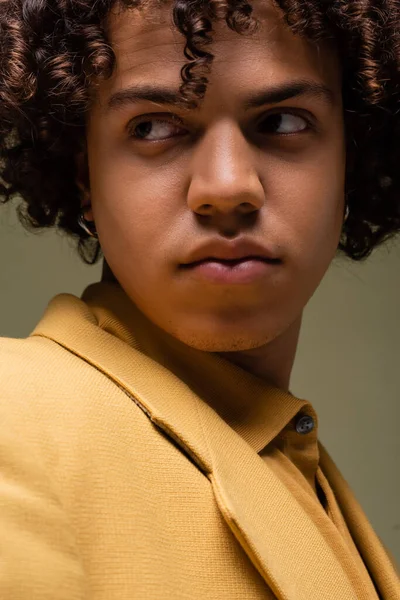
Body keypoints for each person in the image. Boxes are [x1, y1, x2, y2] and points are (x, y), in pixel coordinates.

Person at [0, 0, 399, 598]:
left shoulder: (293, 463)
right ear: (85, 174)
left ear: (352, 157)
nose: (228, 186)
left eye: (283, 121)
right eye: (154, 126)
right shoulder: (14, 418)